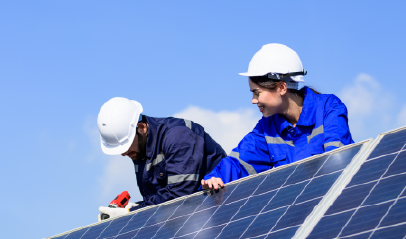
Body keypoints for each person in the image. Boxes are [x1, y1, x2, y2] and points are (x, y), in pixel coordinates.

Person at [201, 43, 354, 190]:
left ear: (281, 87)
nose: (254, 101)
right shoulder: (266, 128)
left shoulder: (329, 108)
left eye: (257, 93)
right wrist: (215, 178)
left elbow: (337, 159)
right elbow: (238, 163)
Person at [97, 97, 226, 219]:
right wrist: (135, 207)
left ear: (141, 127)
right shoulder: (139, 151)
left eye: (126, 145)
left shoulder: (178, 136)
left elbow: (180, 197)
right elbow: (157, 201)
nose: (124, 153)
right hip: (195, 221)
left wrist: (131, 213)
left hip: (221, 210)